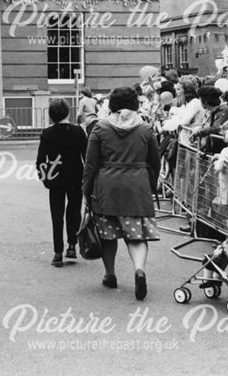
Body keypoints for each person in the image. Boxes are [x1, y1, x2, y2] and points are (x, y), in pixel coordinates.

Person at [82, 86, 161, 300]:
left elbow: (90, 164)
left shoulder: (100, 128)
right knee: (136, 234)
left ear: (112, 104)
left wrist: (86, 190)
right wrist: (151, 187)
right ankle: (139, 270)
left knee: (108, 235)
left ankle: (110, 274)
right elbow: (155, 162)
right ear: (135, 103)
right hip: (137, 186)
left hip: (107, 186)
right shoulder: (145, 128)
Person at [36, 98, 87, 267]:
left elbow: (40, 160)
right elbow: (86, 157)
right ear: (67, 112)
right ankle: (72, 246)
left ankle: (57, 252)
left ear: (51, 115)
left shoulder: (47, 133)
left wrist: (45, 179)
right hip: (75, 176)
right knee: (74, 211)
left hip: (55, 177)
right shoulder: (79, 131)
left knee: (56, 215)